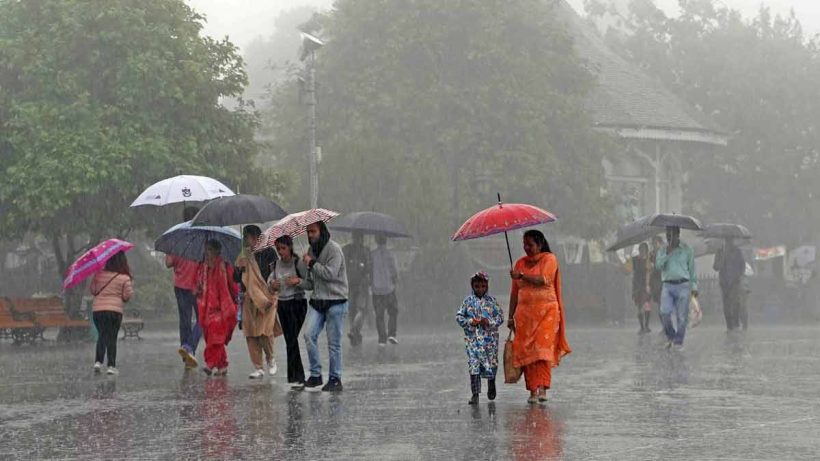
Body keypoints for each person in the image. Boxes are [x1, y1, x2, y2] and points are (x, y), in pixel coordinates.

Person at [507, 230, 571, 404]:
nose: (526, 248)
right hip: (525, 316)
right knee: (528, 352)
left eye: (530, 244)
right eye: (524, 244)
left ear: (540, 243)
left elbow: (544, 279)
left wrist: (522, 276)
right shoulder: (519, 263)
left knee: (542, 351)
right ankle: (533, 391)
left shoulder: (550, 259)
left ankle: (543, 388)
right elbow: (514, 293)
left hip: (547, 313)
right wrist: (510, 316)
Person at [300, 221, 349, 392]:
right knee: (308, 335)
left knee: (333, 343)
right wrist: (296, 281)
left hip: (336, 301)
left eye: (313, 231)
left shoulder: (334, 249)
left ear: (322, 231)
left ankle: (335, 378)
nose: (310, 235)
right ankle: (315, 375)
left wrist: (312, 263)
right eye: (308, 232)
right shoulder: (310, 251)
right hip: (318, 301)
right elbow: (310, 283)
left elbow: (330, 274)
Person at [235, 225, 281, 379]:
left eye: (247, 237)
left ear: (256, 237)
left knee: (265, 331)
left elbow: (275, 273)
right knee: (251, 333)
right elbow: (237, 279)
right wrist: (238, 269)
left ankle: (271, 358)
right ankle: (258, 367)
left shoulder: (269, 252)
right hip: (249, 298)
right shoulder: (243, 255)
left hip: (267, 296)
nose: (247, 240)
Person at [456, 271, 503, 405]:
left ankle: (491, 383)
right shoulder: (467, 302)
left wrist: (489, 323)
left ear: (487, 286)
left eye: (483, 286)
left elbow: (500, 318)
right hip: (473, 340)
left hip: (490, 340)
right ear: (472, 286)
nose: (480, 289)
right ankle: (475, 393)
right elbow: (459, 317)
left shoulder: (492, 302)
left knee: (492, 363)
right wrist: (471, 322)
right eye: (477, 286)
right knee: (474, 365)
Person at [269, 235, 309, 388]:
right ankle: (295, 378)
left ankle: (298, 377)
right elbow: (269, 283)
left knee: (292, 339)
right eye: (278, 249)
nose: (280, 252)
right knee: (290, 340)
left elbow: (309, 282)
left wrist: (297, 281)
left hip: (297, 304)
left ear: (290, 247)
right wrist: (272, 285)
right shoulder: (275, 265)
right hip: (283, 305)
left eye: (283, 248)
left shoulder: (298, 263)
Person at [166, 206, 202, 369]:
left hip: (180, 285)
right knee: (203, 320)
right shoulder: (201, 237)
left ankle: (186, 352)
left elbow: (168, 263)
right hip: (198, 285)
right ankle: (190, 348)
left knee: (184, 320)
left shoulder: (176, 237)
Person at [196, 240, 239, 376]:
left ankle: (210, 363)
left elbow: (234, 287)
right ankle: (222, 365)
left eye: (209, 249)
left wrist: (237, 300)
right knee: (211, 338)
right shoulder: (203, 268)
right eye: (206, 249)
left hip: (222, 309)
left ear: (217, 251)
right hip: (206, 309)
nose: (207, 253)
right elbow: (197, 286)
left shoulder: (225, 267)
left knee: (216, 338)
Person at [90, 251, 134, 375]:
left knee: (102, 334)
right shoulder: (124, 278)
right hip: (114, 311)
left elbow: (93, 291)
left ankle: (98, 361)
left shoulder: (99, 275)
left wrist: (96, 277)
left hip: (98, 311)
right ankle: (111, 365)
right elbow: (127, 296)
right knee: (112, 337)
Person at [655, 226, 697, 350]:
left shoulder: (687, 249)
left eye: (672, 235)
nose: (669, 237)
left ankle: (678, 341)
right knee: (665, 313)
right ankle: (671, 336)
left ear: (678, 235)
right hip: (667, 285)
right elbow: (658, 266)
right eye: (667, 235)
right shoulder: (663, 250)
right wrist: (667, 254)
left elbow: (692, 269)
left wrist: (694, 287)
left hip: (683, 285)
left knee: (682, 316)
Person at [342, 231, 370, 346]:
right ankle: (354, 330)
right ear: (361, 238)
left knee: (352, 310)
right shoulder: (365, 251)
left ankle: (355, 333)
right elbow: (368, 269)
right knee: (362, 309)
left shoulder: (346, 250)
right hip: (361, 284)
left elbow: (342, 266)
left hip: (349, 284)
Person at [371, 233, 400, 345]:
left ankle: (382, 339)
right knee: (393, 312)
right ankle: (391, 334)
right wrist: (395, 280)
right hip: (389, 289)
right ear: (386, 241)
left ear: (376, 240)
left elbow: (370, 270)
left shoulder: (372, 254)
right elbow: (395, 271)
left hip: (376, 289)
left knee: (379, 315)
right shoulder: (390, 254)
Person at [713, 238, 746, 331]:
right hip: (724, 282)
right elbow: (715, 266)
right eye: (727, 240)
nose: (728, 242)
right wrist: (721, 260)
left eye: (730, 240)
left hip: (735, 281)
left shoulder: (737, 251)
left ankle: (736, 323)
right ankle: (729, 325)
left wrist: (739, 275)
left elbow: (742, 265)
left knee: (736, 303)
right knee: (726, 304)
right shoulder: (720, 251)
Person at [631, 243, 652, 334]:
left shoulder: (647, 260)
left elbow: (648, 272)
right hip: (637, 284)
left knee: (647, 304)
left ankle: (646, 325)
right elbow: (629, 269)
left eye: (644, 250)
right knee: (639, 305)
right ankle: (642, 327)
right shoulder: (634, 259)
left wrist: (647, 285)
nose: (643, 251)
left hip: (645, 284)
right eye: (641, 249)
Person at [649, 235, 665, 330]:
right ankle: (664, 325)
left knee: (663, 304)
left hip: (663, 281)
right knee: (659, 305)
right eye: (653, 243)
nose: (654, 245)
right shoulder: (651, 254)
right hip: (655, 282)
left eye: (656, 243)